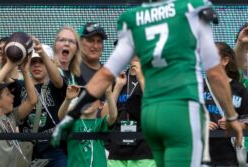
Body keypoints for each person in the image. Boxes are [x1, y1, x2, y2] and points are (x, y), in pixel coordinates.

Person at [52, 1, 244, 167]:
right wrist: (231, 117)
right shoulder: (192, 9)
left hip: (150, 136)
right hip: (139, 137)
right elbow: (215, 73)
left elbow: (104, 76)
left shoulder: (137, 24)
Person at [0, 55, 37, 166]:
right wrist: (10, 63)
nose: (13, 97)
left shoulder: (12, 116)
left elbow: (33, 100)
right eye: (8, 94)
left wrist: (24, 72)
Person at [19, 38, 67, 167]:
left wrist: (41, 52)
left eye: (41, 61)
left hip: (54, 149)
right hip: (28, 150)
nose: (37, 65)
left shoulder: (56, 84)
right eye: (33, 62)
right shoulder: (20, 86)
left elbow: (58, 80)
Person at [203, 42, 248, 166]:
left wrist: (234, 124)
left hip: (228, 157)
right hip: (201, 155)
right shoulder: (198, 86)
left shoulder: (239, 89)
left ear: (225, 60)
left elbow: (246, 122)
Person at [107, 57, 155, 167]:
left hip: (144, 150)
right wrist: (118, 87)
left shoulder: (154, 78)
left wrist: (141, 78)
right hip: (117, 150)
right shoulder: (119, 78)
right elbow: (106, 117)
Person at [58, 84, 117, 167]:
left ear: (100, 105)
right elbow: (61, 116)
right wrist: (67, 100)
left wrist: (109, 94)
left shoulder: (100, 123)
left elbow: (113, 116)